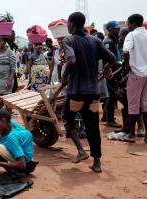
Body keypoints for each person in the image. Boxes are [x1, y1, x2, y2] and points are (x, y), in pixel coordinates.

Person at [62, 12, 116, 172]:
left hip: (76, 93)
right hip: (93, 93)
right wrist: (106, 68)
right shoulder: (95, 40)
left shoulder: (69, 40)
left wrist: (64, 76)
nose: (67, 26)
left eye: (68, 24)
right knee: (93, 126)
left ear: (71, 23)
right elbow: (112, 59)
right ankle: (97, 163)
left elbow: (71, 60)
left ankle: (80, 150)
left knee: (67, 121)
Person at [0, 110, 38, 184]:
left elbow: (22, 164)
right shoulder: (11, 124)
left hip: (24, 163)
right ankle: (17, 166)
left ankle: (15, 172)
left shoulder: (11, 137)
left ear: (3, 120)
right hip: (27, 157)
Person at [122, 14, 147, 143]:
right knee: (145, 104)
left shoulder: (131, 35)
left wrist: (127, 66)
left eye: (128, 24)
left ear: (132, 24)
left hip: (136, 73)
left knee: (133, 105)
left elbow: (125, 51)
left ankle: (131, 135)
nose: (127, 26)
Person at [103, 21, 129, 132]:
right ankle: (109, 119)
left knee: (113, 97)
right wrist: (111, 71)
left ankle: (107, 117)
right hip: (111, 73)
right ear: (110, 29)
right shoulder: (108, 42)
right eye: (116, 28)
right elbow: (108, 59)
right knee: (118, 96)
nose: (118, 30)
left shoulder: (114, 40)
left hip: (117, 72)